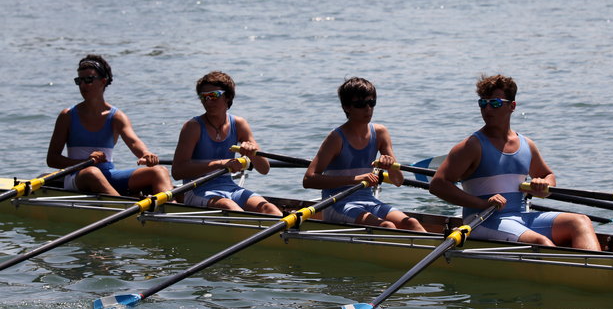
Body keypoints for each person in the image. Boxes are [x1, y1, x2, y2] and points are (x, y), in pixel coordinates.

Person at [429, 74, 600, 250]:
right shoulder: (471, 146)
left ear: (512, 106)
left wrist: (543, 185)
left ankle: (600, 272)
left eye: (495, 103)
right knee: (541, 242)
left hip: (522, 218)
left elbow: (547, 175)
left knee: (580, 221)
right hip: (484, 221)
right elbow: (438, 184)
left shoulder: (527, 145)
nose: (487, 109)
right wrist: (482, 204)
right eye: (483, 103)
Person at [303, 77, 426, 231]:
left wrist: (390, 167)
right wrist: (356, 179)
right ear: (347, 107)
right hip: (337, 203)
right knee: (386, 226)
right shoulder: (336, 138)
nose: (368, 109)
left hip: (368, 200)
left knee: (411, 223)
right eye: (360, 105)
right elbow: (309, 180)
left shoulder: (380, 133)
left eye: (371, 103)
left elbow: (398, 181)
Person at [47, 54, 173, 196]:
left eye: (88, 80)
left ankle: (171, 209)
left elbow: (133, 142)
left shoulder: (116, 116)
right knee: (92, 172)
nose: (83, 85)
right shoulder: (67, 116)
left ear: (103, 81)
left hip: (108, 174)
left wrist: (146, 154)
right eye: (79, 80)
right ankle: (123, 209)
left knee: (159, 171)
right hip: (77, 175)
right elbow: (52, 159)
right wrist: (85, 161)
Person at [172, 71, 281, 215]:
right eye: (203, 97)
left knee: (269, 208)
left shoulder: (239, 124)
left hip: (229, 187)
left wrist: (253, 153)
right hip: (195, 189)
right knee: (229, 206)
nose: (208, 101)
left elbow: (264, 169)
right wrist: (221, 163)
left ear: (228, 96)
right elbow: (177, 171)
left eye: (214, 95)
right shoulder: (193, 127)